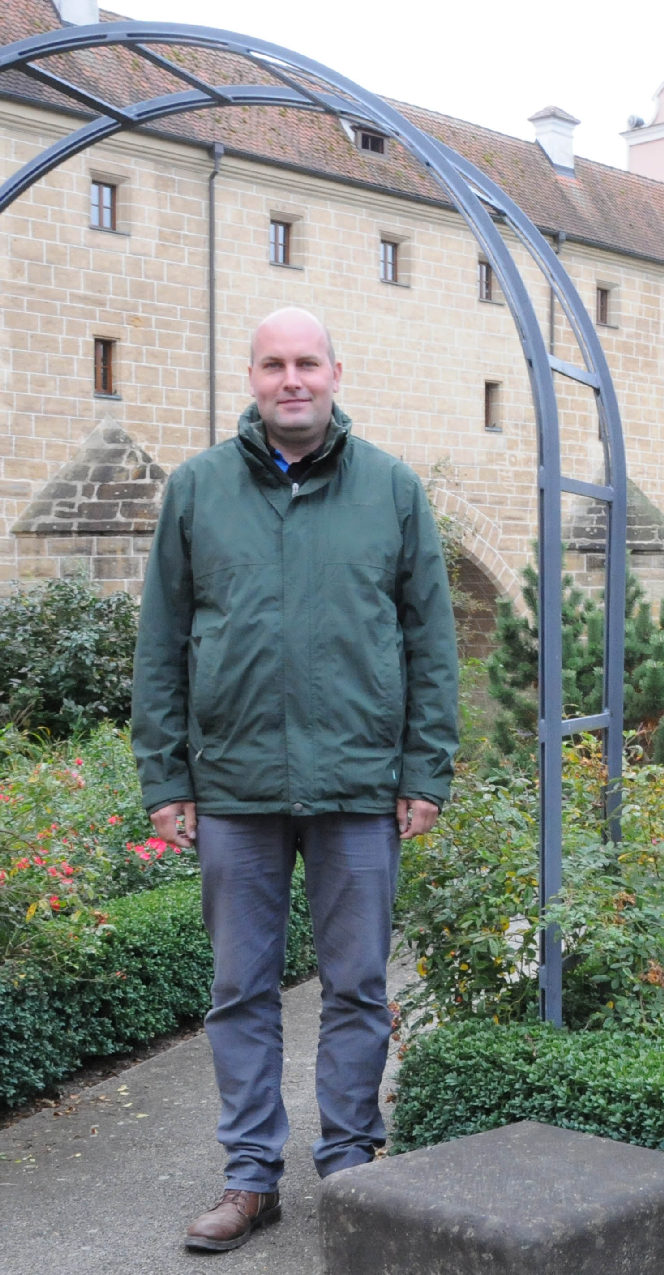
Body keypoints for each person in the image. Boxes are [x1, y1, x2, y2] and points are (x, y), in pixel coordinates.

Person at [133, 307, 459, 1252]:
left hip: (360, 782)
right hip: (233, 784)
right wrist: (167, 777)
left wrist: (424, 768)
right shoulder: (197, 491)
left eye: (306, 363)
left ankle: (352, 1165)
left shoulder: (392, 490)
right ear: (253, 376)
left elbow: (429, 644)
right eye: (274, 364)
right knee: (241, 988)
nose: (291, 379)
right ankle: (250, 1178)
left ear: (335, 372)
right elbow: (161, 645)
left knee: (356, 984)